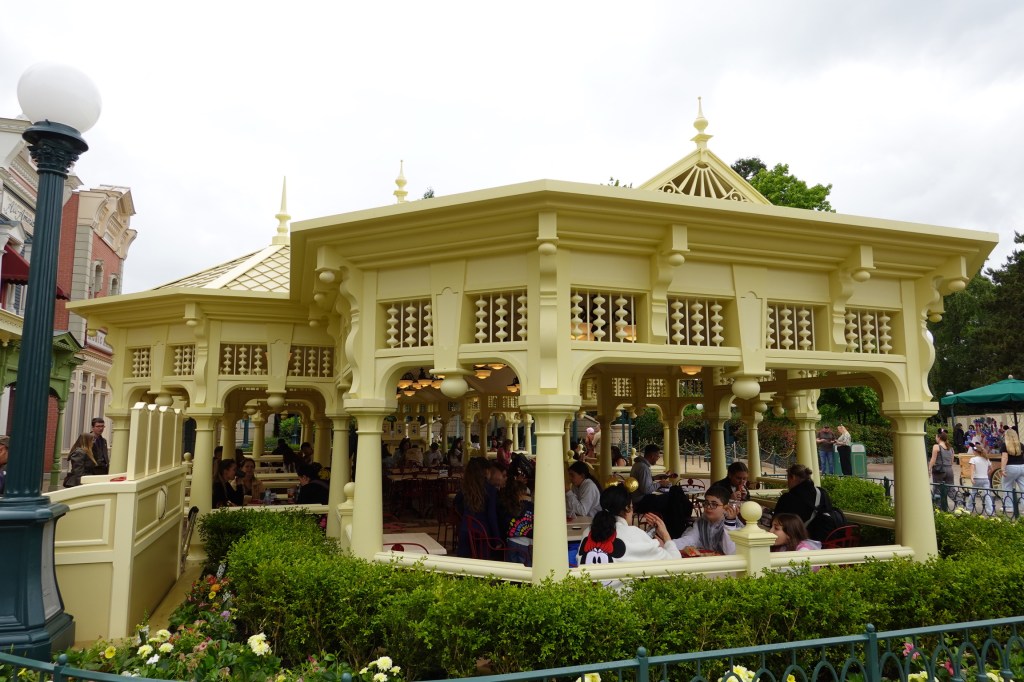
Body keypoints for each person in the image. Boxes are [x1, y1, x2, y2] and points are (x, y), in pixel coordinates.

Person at [577, 483, 680, 580]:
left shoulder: (587, 532)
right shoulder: (633, 534)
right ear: (628, 508)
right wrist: (665, 535)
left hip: (588, 595)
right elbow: (674, 564)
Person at [773, 464, 840, 542]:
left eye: (788, 479)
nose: (787, 483)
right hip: (825, 539)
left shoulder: (787, 498)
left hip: (801, 542)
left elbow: (777, 521)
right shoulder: (822, 492)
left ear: (793, 477)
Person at [673, 485, 744, 556]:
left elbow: (730, 552)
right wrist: (669, 545)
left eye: (714, 504)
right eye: (706, 503)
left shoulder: (735, 525)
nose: (708, 507)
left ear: (725, 507)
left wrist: (729, 523)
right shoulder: (702, 521)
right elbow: (690, 539)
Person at [454, 457, 501, 558]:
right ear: (485, 471)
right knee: (482, 565)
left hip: (466, 529)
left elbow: (456, 503)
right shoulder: (490, 489)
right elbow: (492, 515)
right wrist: (497, 539)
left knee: (464, 565)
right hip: (482, 532)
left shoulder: (465, 488)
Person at [1000, 427, 1024, 515]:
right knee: (1023, 487)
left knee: (1007, 486)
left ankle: (1009, 507)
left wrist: (1002, 469)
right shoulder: (1020, 445)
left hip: (1011, 467)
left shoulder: (1005, 445)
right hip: (1022, 466)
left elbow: (1004, 457)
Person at [929, 430, 955, 509]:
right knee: (951, 490)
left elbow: (933, 460)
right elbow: (952, 461)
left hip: (939, 470)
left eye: (936, 437)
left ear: (939, 438)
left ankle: (939, 508)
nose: (935, 438)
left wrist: (929, 469)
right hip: (949, 470)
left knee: (938, 490)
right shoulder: (950, 448)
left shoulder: (936, 446)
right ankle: (961, 504)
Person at [966, 447, 994, 516]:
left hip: (977, 478)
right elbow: (991, 469)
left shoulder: (973, 459)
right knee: (987, 494)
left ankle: (969, 508)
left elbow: (972, 470)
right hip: (985, 479)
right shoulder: (986, 459)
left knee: (973, 493)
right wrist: (986, 473)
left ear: (975, 452)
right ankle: (990, 511)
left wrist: (972, 478)